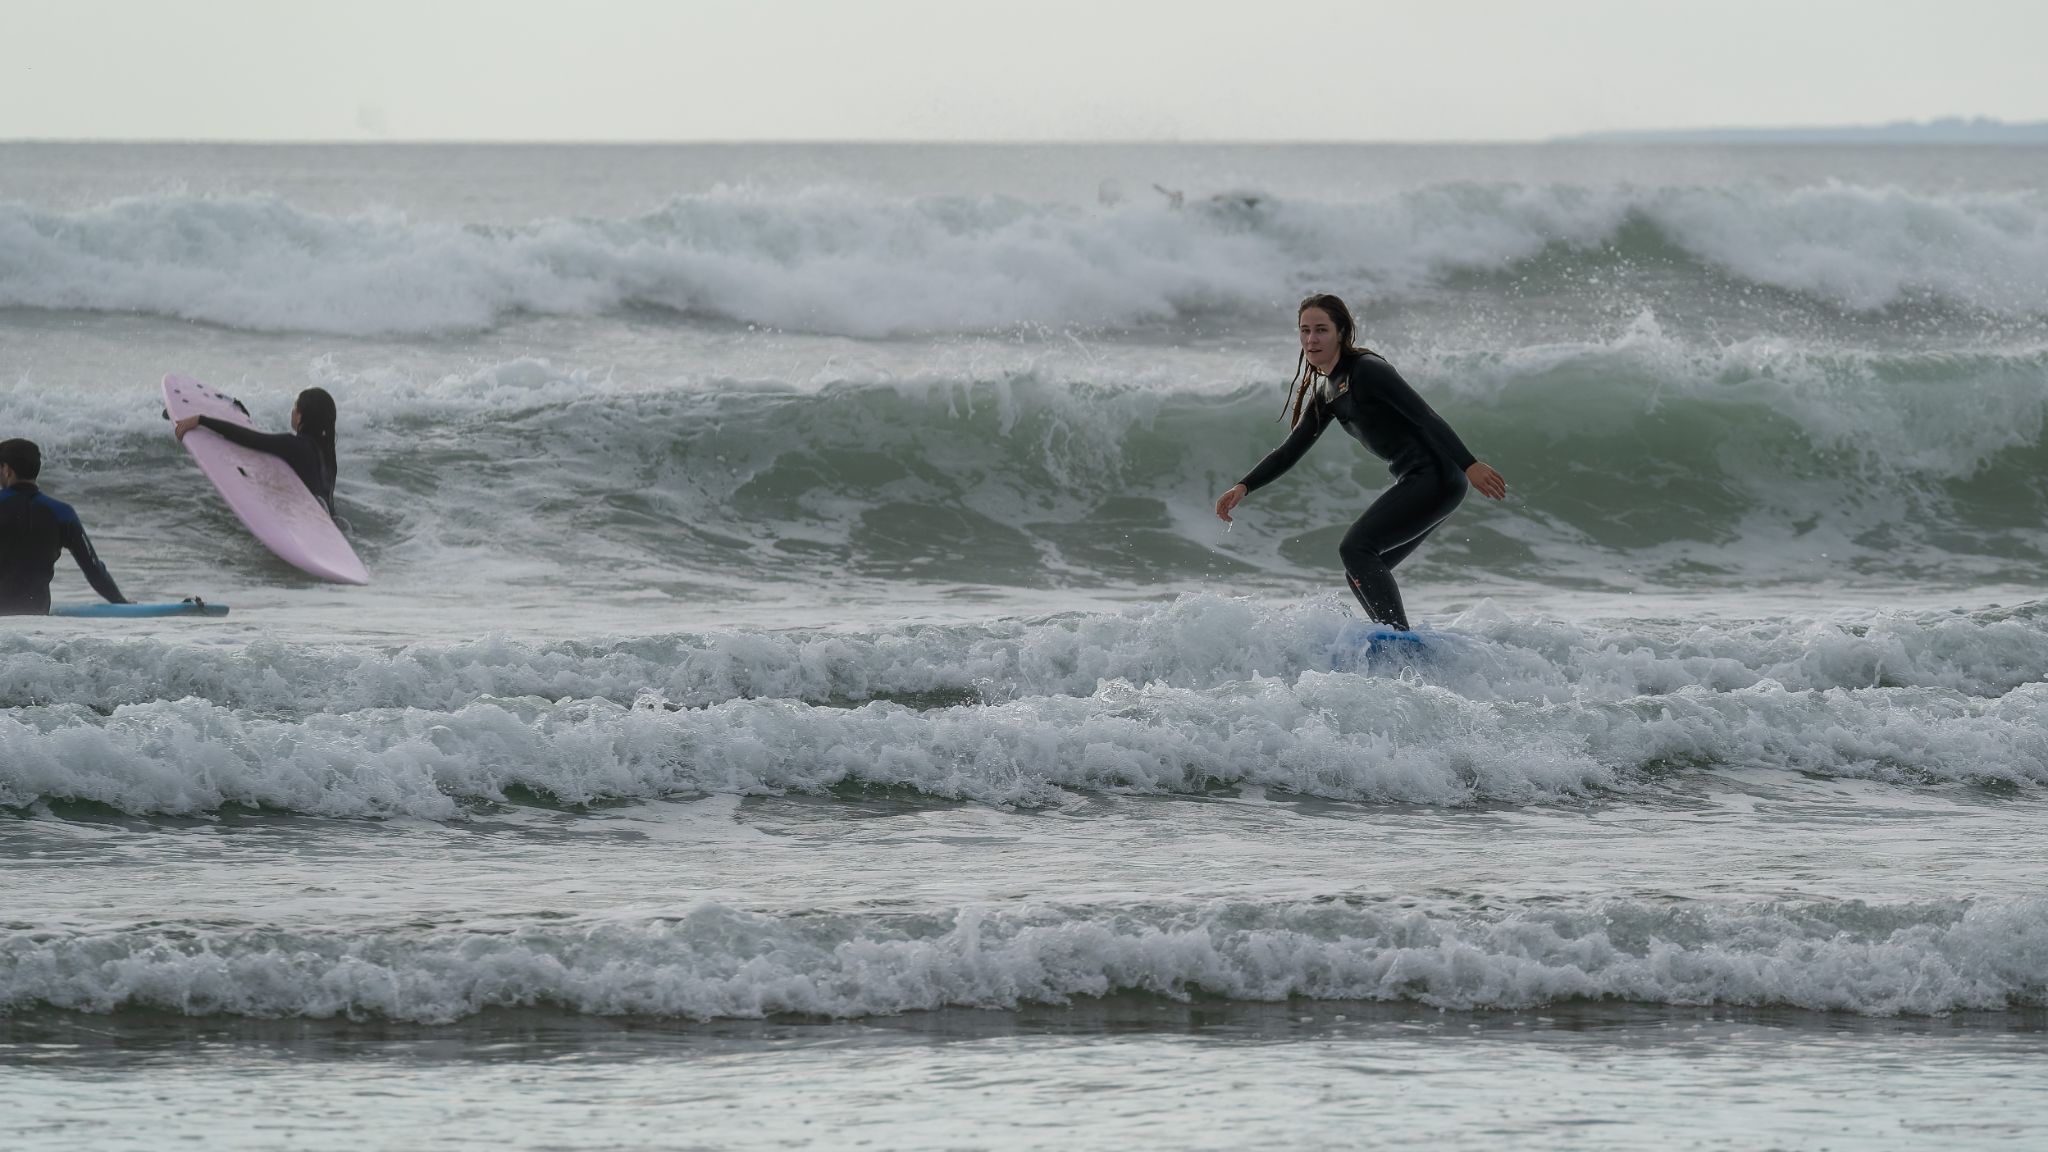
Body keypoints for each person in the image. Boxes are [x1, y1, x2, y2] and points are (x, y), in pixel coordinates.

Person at [1215, 294, 1507, 631]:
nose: (1312, 339)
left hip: (1436, 476)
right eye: (1305, 330)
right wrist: (1244, 486)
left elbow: (1425, 416)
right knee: (1360, 565)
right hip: (1426, 480)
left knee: (1356, 548)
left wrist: (1470, 464)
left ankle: (1399, 641)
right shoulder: (1327, 392)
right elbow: (1289, 451)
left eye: (1321, 330)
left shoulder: (1368, 370)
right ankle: (1394, 641)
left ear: (1341, 332)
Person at [0, 438, 129, 615]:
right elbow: (93, 570)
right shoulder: (62, 513)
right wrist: (121, 603)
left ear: (7, 470)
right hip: (35, 621)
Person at [174, 387, 339, 515]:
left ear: (301, 417)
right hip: (329, 519)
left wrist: (202, 420)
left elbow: (252, 440)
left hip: (309, 525)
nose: (292, 412)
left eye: (295, 408)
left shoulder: (296, 446)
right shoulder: (327, 453)